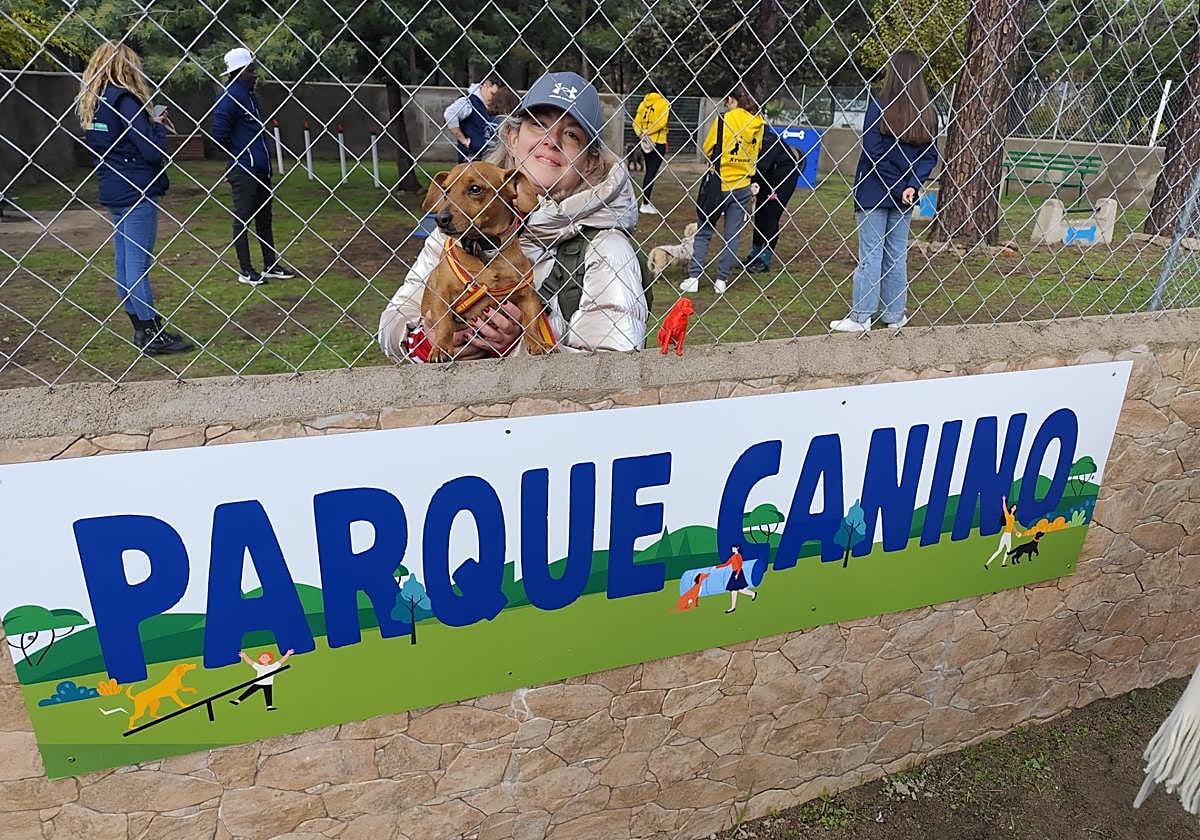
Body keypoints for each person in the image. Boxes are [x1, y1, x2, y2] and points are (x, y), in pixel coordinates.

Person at [379, 71, 647, 362]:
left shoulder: (606, 248)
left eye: (571, 134)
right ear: (512, 136)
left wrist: (515, 350)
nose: (551, 140)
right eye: (539, 125)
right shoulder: (459, 231)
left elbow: (616, 367)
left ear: (590, 161)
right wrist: (423, 340)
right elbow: (394, 321)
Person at [78, 40, 193, 356]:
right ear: (127, 68)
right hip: (137, 190)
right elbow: (151, 152)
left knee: (125, 261)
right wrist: (156, 127)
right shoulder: (126, 100)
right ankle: (151, 329)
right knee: (138, 264)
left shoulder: (96, 101)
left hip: (113, 187)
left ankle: (140, 328)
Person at [830, 50, 938, 332]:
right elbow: (929, 156)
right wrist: (910, 186)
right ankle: (894, 315)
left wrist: (903, 186)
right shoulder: (927, 111)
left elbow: (873, 151)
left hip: (875, 191)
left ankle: (862, 316)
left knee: (872, 253)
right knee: (895, 254)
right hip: (903, 195)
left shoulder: (879, 106)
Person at [211, 47, 296, 286]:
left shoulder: (250, 96)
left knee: (264, 218)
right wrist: (240, 154)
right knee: (243, 218)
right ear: (239, 72)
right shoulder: (229, 96)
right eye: (251, 70)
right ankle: (246, 269)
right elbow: (218, 135)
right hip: (244, 169)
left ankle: (270, 264)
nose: (255, 74)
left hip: (260, 167)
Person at [682, 87, 764, 295]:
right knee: (732, 236)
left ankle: (694, 278)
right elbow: (758, 150)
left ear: (731, 100)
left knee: (704, 232)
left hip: (719, 184)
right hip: (743, 185)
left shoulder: (723, 120)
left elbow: (708, 148)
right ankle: (721, 280)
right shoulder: (758, 123)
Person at [745, 127, 802, 273]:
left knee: (771, 214)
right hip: (766, 178)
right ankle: (755, 252)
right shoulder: (746, 138)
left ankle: (765, 258)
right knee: (759, 214)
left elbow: (761, 167)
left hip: (783, 178)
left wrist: (751, 187)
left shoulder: (767, 139)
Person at [444, 75, 502, 162]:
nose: (493, 98)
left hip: (484, 158)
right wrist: (463, 140)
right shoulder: (468, 101)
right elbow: (449, 114)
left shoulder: (485, 105)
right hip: (470, 158)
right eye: (492, 94)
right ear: (485, 85)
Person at [631, 88, 670, 215]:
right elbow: (662, 123)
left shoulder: (644, 103)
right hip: (658, 142)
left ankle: (646, 201)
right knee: (651, 173)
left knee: (649, 171)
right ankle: (645, 203)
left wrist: (641, 133)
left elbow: (635, 123)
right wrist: (648, 132)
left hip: (645, 142)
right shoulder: (664, 103)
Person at [714, 543, 757, 614]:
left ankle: (751, 595)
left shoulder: (738, 556)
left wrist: (737, 574)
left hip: (738, 573)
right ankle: (734, 606)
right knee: (736, 590)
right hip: (734, 573)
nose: (732, 549)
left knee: (737, 590)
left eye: (733, 548)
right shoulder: (733, 556)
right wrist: (717, 567)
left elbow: (740, 566)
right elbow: (726, 564)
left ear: (737, 548)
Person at [985, 497, 1019, 569]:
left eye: (1015, 508)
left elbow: (1012, 526)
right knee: (999, 550)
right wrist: (1004, 500)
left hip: (1009, 535)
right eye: (1013, 507)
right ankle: (987, 563)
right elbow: (1004, 508)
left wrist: (1016, 532)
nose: (1014, 508)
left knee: (1009, 549)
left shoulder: (1013, 517)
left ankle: (1003, 563)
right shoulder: (1008, 515)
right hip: (1006, 534)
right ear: (1011, 508)